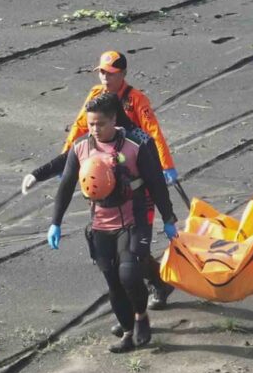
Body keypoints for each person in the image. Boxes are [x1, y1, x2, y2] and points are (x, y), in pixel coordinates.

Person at [22, 50, 177, 310]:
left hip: (137, 196)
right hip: (106, 194)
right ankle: (152, 287)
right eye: (102, 72)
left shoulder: (135, 119)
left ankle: (146, 300)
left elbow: (153, 134)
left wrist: (166, 168)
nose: (105, 77)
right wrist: (56, 166)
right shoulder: (95, 101)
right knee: (119, 254)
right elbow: (78, 131)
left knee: (131, 256)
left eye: (111, 73)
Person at [47, 93, 179, 353]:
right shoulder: (81, 147)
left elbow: (156, 183)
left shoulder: (136, 144)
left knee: (129, 275)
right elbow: (66, 185)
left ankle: (141, 316)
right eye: (91, 124)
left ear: (114, 120)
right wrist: (56, 222)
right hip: (100, 224)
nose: (95, 129)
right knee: (113, 283)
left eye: (101, 124)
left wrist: (168, 218)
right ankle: (128, 333)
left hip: (133, 219)